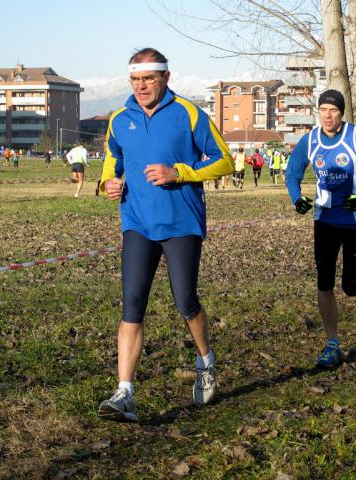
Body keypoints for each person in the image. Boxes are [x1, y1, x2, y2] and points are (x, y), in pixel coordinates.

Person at [97, 48, 234, 422]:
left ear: (166, 78)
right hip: (137, 222)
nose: (141, 87)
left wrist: (180, 172)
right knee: (132, 303)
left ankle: (206, 358)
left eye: (148, 79)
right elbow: (113, 159)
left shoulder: (188, 113)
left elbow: (224, 159)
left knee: (185, 300)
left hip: (180, 223)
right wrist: (107, 181)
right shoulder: (119, 118)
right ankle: (124, 393)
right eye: (135, 80)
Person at [285, 89, 356, 368]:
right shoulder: (309, 141)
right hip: (324, 221)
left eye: (333, 111)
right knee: (324, 281)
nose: (327, 116)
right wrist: (297, 198)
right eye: (323, 110)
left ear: (341, 113)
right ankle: (332, 344)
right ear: (317, 112)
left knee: (351, 287)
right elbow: (292, 173)